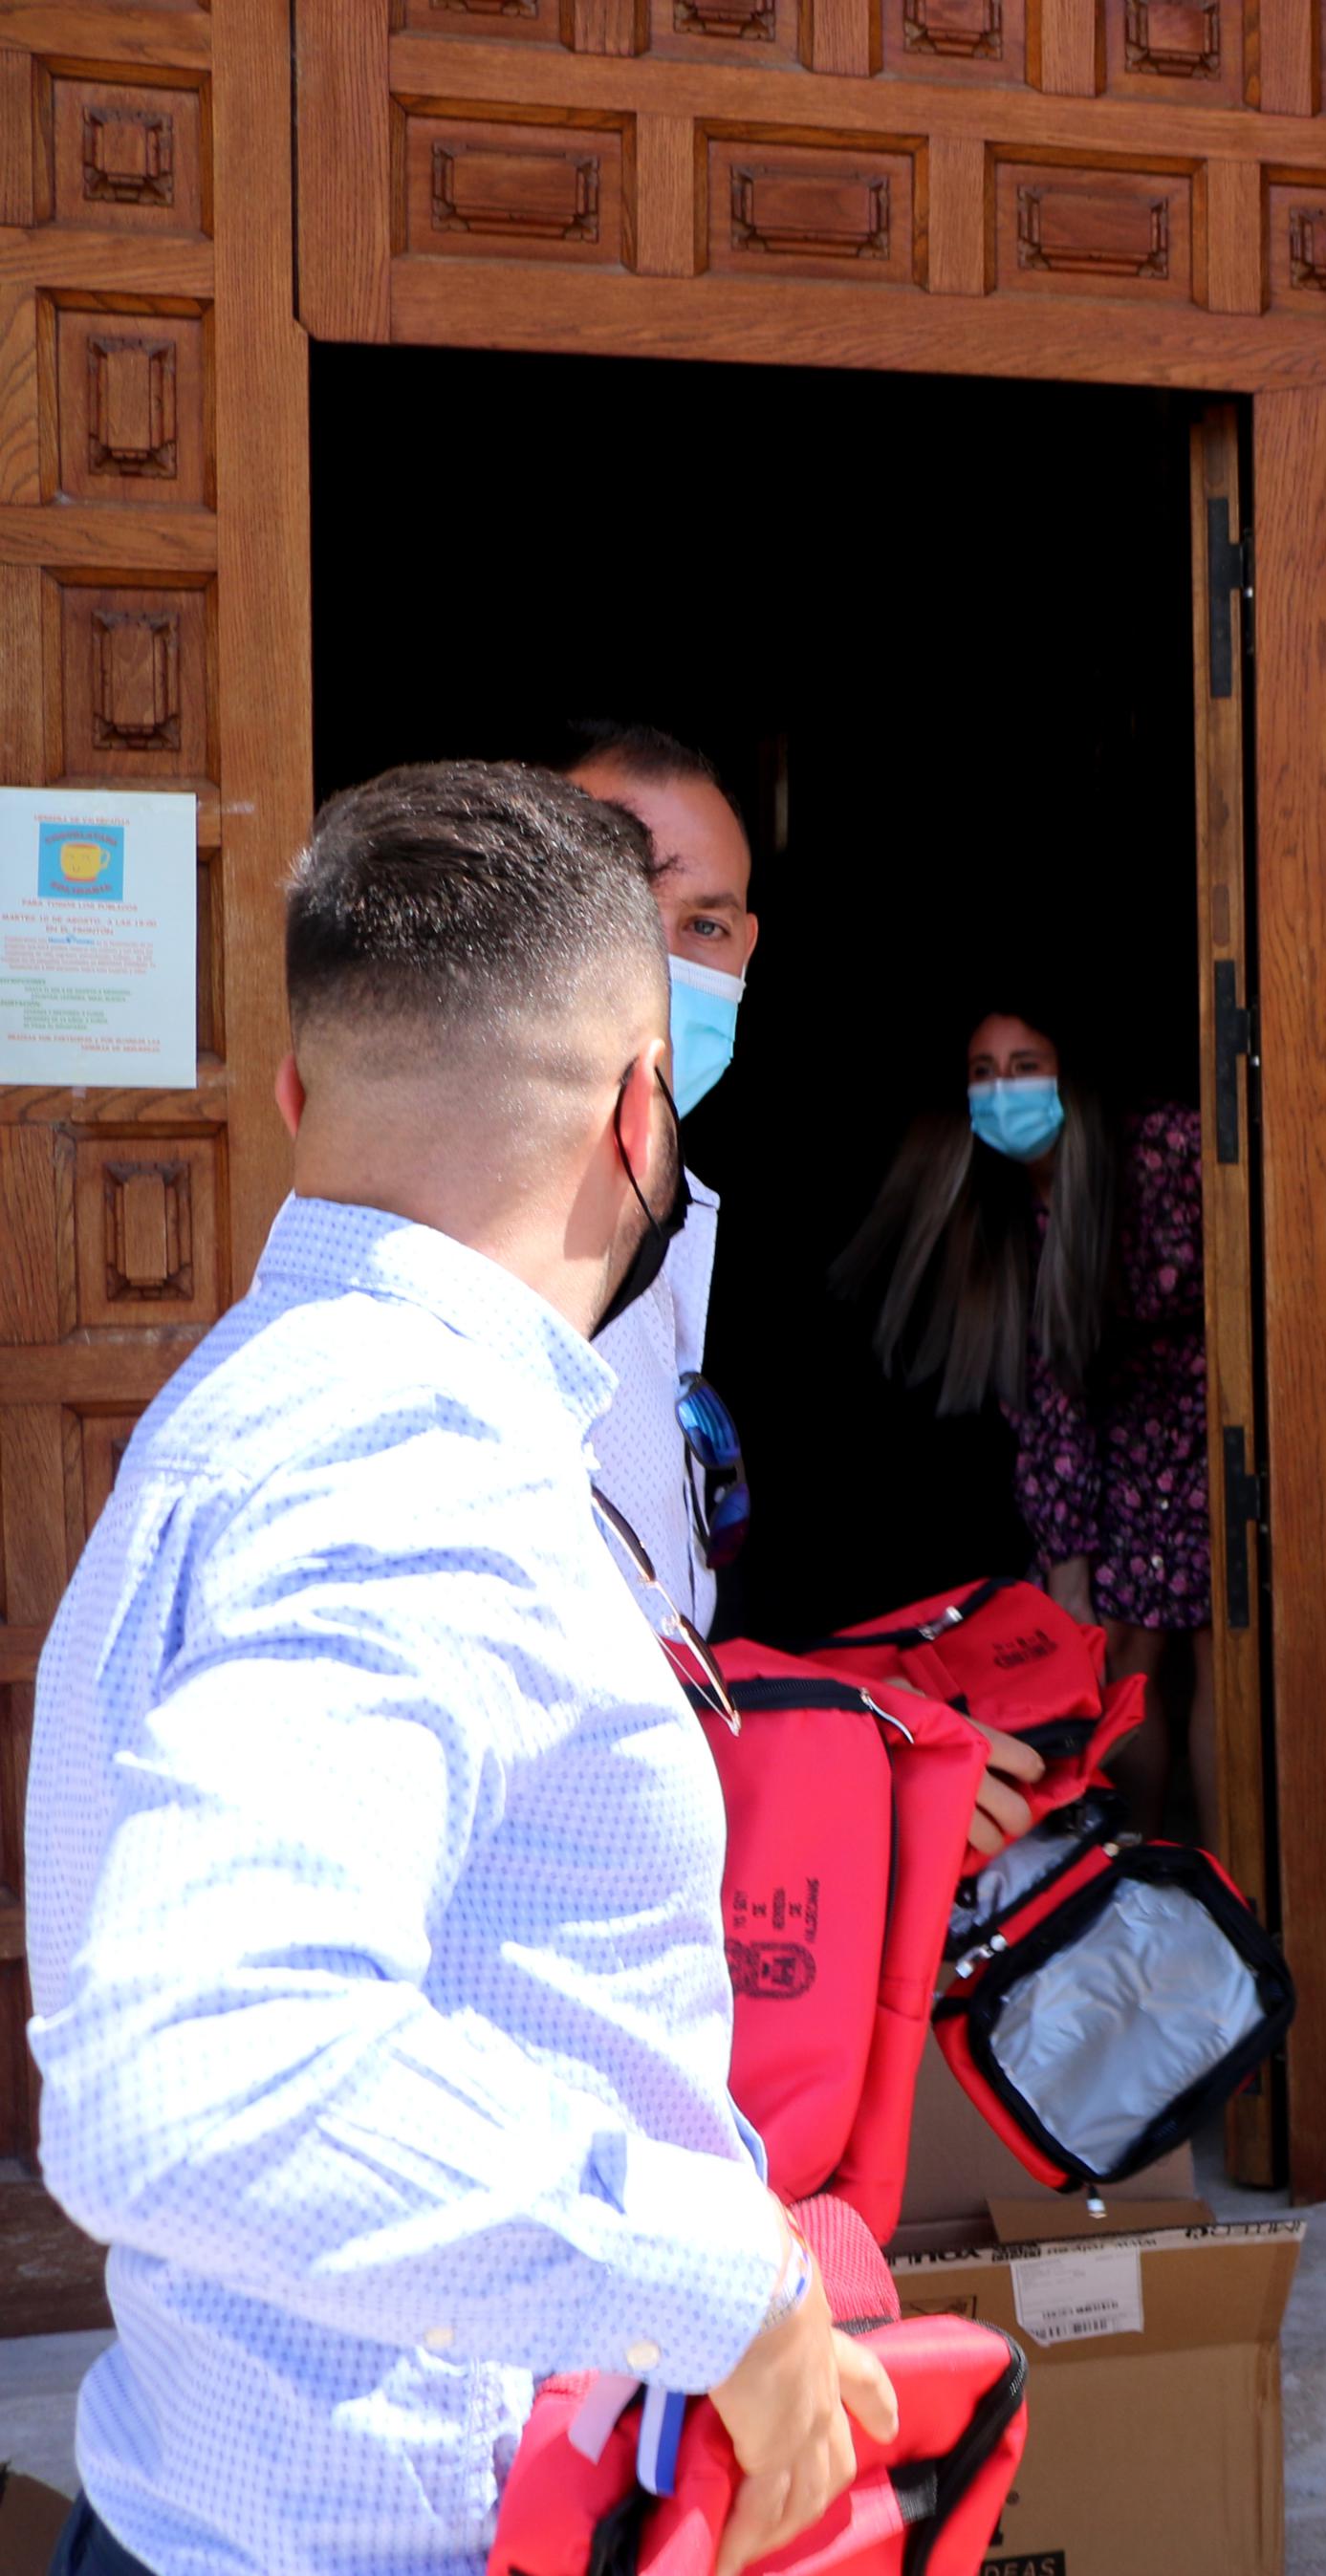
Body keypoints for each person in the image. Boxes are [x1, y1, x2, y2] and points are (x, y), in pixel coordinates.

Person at [27, 763, 894, 2576]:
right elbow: (208, 2086)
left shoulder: (260, 1406)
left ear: (291, 1099)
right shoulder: (401, 1463)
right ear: (643, 1117)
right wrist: (714, 2290)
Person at [836, 1001, 1213, 1845]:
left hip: (1212, 1423)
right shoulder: (1002, 1219)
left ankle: (1237, 1878)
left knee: (1220, 1659)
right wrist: (1067, 1559)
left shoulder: (1162, 1148)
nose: (1003, 1090)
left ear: (1067, 1075)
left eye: (1023, 1065)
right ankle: (1133, 1863)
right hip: (1114, 1455)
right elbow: (1044, 1408)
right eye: (983, 1072)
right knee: (1128, 1667)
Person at [559, 722, 756, 1640]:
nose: (668, 963)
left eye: (704, 926)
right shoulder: (457, 1227)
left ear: (747, 948)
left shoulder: (675, 1206)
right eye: (629, 916)